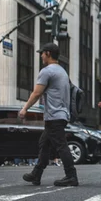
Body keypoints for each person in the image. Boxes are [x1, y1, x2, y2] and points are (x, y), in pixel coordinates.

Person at [20, 43, 78, 187]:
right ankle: (36, 174)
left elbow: (37, 92)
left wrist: (24, 108)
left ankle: (71, 176)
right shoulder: (62, 71)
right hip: (60, 115)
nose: (41, 56)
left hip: (54, 116)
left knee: (61, 146)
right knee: (44, 144)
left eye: (42, 53)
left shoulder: (47, 71)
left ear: (48, 53)